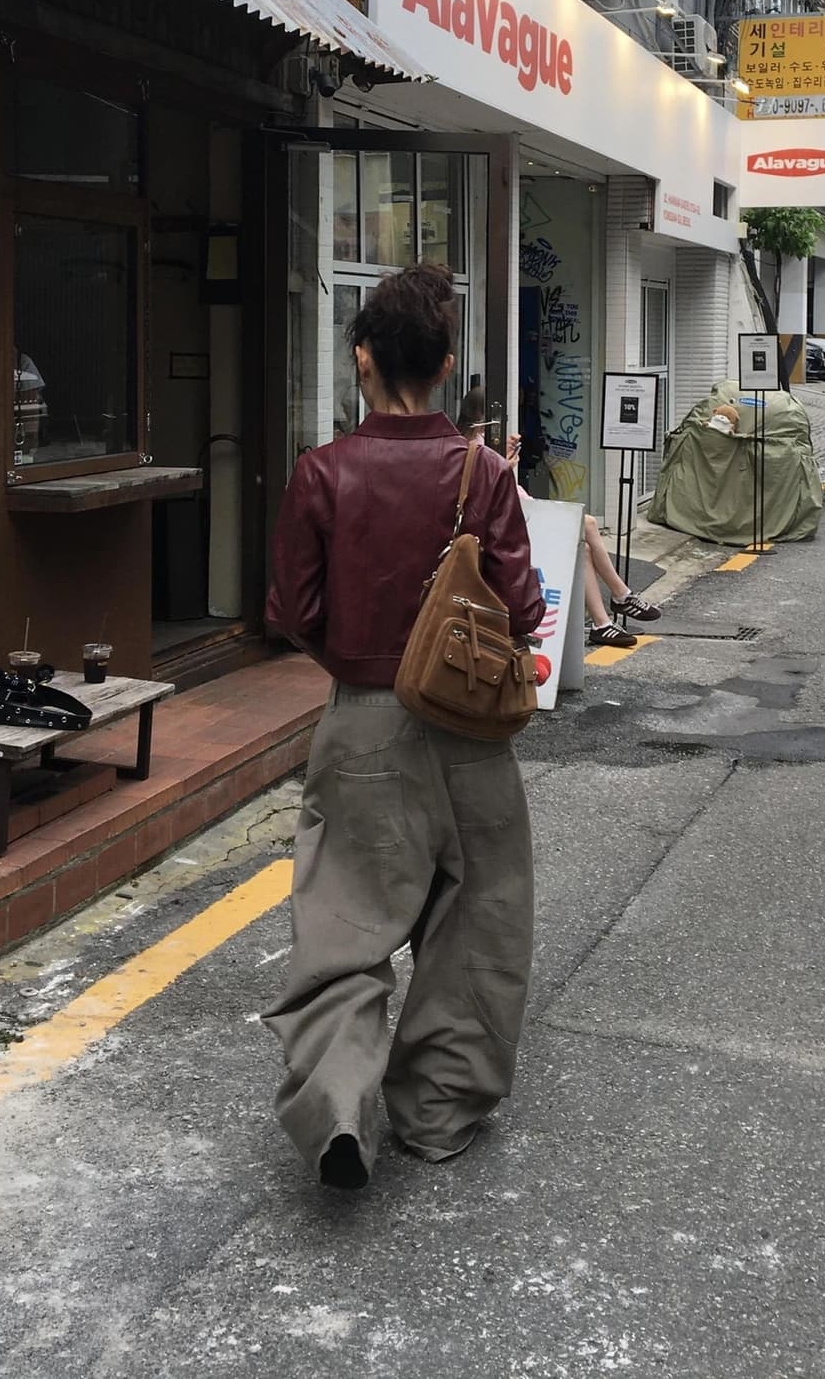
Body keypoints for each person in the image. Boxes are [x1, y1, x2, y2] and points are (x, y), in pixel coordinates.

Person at [263, 267, 544, 1191]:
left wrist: (359, 662)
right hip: (468, 728)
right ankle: (436, 1113)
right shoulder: (484, 471)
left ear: (362, 359)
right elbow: (521, 606)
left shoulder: (321, 473)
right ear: (446, 364)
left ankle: (339, 1108)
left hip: (360, 725)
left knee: (340, 922)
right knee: (476, 918)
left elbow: (292, 611)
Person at [455, 388, 660, 649]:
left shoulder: (480, 441)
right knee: (588, 523)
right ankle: (621, 595)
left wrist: (505, 461)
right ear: (485, 414)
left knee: (583, 550)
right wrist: (506, 465)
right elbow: (487, 485)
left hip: (519, 507)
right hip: (512, 515)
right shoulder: (473, 446)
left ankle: (602, 624)